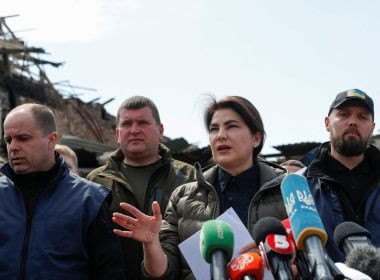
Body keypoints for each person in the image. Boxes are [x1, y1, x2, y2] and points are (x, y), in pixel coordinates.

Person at [112, 95, 288, 279]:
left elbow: (309, 259)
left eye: (232, 126)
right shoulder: (183, 197)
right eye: (214, 129)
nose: (220, 135)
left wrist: (283, 266)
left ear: (256, 138)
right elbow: (164, 273)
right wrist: (151, 243)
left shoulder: (289, 190)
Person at [0, 103, 125, 279]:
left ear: (51, 140)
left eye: (23, 138)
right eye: (8, 140)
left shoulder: (90, 200)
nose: (13, 147)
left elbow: (109, 272)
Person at [87, 96, 196, 279]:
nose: (134, 130)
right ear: (117, 133)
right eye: (127, 124)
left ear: (160, 130)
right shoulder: (96, 180)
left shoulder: (187, 177)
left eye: (143, 123)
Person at [303, 89, 379, 262]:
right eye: (344, 115)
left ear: (372, 128)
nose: (353, 122)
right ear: (327, 123)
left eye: (362, 117)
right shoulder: (300, 186)